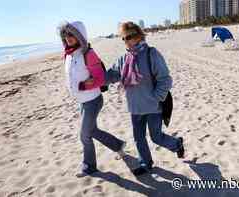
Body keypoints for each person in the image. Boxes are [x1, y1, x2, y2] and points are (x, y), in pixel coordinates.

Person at [106, 22, 185, 176]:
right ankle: (145, 163)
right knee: (139, 138)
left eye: (129, 36)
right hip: (135, 108)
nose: (126, 41)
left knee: (156, 137)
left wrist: (156, 97)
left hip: (153, 107)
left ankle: (177, 144)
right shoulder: (124, 59)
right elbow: (112, 75)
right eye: (123, 38)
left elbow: (165, 79)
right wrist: (95, 79)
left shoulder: (151, 53)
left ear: (138, 35)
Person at [58, 21, 126, 176]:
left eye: (71, 34)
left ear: (79, 35)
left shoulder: (88, 53)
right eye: (66, 34)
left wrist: (82, 86)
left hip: (93, 100)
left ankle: (89, 166)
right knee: (92, 131)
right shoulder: (69, 54)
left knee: (84, 135)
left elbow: (100, 78)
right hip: (82, 101)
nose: (68, 37)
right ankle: (118, 145)